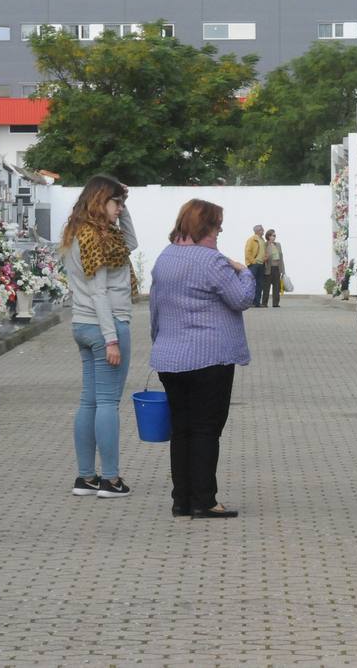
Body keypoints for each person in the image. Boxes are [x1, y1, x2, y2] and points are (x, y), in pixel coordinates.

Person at [150, 199, 255, 518]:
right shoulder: (213, 262)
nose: (220, 230)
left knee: (181, 429)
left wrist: (157, 340)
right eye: (217, 225)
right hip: (209, 358)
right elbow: (242, 299)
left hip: (169, 357)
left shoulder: (164, 257)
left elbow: (155, 306)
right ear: (204, 227)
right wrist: (245, 271)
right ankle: (205, 499)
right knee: (207, 428)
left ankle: (181, 499)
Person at [62, 175, 137, 499]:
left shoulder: (82, 234)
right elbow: (99, 292)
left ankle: (85, 477)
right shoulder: (97, 240)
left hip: (82, 325)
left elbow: (131, 243)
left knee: (89, 401)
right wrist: (111, 339)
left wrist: (125, 204)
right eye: (115, 203)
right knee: (107, 403)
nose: (119, 209)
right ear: (99, 202)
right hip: (106, 324)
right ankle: (110, 479)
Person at [260, 228, 285, 307]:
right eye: (273, 235)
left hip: (277, 268)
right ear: (269, 236)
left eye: (275, 235)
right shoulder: (265, 245)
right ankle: (264, 303)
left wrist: (283, 270)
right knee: (266, 287)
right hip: (268, 268)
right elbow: (263, 256)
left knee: (276, 287)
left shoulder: (278, 245)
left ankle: (275, 303)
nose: (274, 237)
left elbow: (281, 257)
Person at [244, 224, 266, 307]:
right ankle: (250, 302)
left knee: (260, 284)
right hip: (254, 265)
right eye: (262, 230)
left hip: (261, 264)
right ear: (257, 231)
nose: (263, 231)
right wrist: (253, 262)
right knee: (251, 284)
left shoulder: (262, 240)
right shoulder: (252, 239)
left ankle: (257, 302)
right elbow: (247, 252)